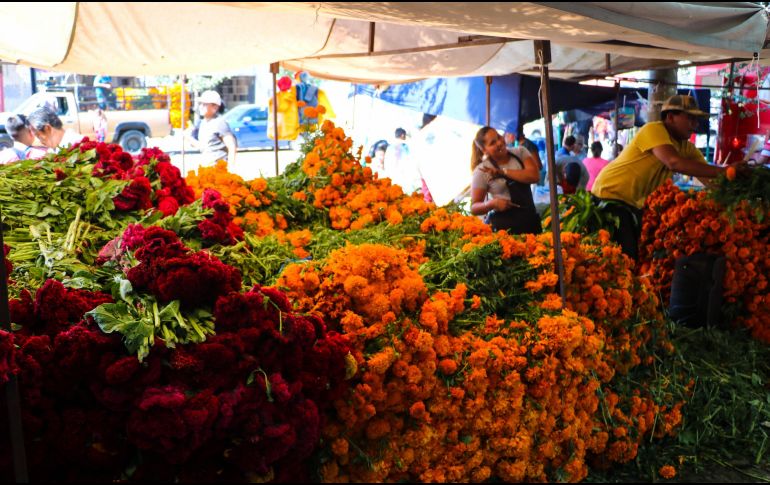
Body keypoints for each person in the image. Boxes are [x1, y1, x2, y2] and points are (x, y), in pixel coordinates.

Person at [591, 94, 733, 260]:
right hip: (609, 196)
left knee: (629, 256)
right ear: (670, 117)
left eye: (696, 119)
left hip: (631, 205)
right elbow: (673, 162)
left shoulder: (686, 148)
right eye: (690, 118)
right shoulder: (653, 129)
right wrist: (726, 171)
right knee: (621, 257)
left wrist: (736, 189)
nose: (695, 124)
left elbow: (710, 179)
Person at [470, 126, 541, 234]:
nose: (499, 142)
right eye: (493, 143)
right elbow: (474, 208)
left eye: (498, 137)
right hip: (504, 230)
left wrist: (503, 172)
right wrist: (492, 204)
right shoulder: (482, 170)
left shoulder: (520, 152)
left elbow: (534, 176)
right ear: (484, 150)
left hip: (530, 221)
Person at [192, 90, 237, 167]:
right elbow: (203, 147)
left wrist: (231, 168)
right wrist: (187, 138)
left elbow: (232, 146)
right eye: (200, 104)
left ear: (215, 107)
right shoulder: (202, 123)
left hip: (218, 169)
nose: (201, 107)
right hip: (206, 168)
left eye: (204, 104)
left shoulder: (220, 123)